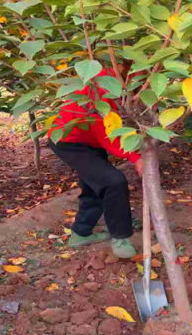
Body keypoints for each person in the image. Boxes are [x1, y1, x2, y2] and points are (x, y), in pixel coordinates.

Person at [48, 67, 140, 259]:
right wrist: (137, 159)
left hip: (90, 139)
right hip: (68, 141)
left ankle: (81, 233)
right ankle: (120, 237)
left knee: (94, 185)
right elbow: (110, 137)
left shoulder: (121, 79)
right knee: (113, 181)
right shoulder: (101, 86)